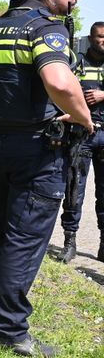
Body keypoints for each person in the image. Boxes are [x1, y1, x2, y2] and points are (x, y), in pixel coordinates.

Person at [0, 0, 94, 358]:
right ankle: (11, 330)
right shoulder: (45, 28)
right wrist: (85, 118)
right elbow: (60, 82)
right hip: (36, 150)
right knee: (23, 239)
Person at [59, 22, 104, 263]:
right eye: (100, 37)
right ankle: (70, 242)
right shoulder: (79, 64)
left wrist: (102, 95)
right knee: (74, 190)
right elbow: (63, 91)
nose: (103, 41)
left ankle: (103, 245)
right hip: (81, 135)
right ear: (91, 38)